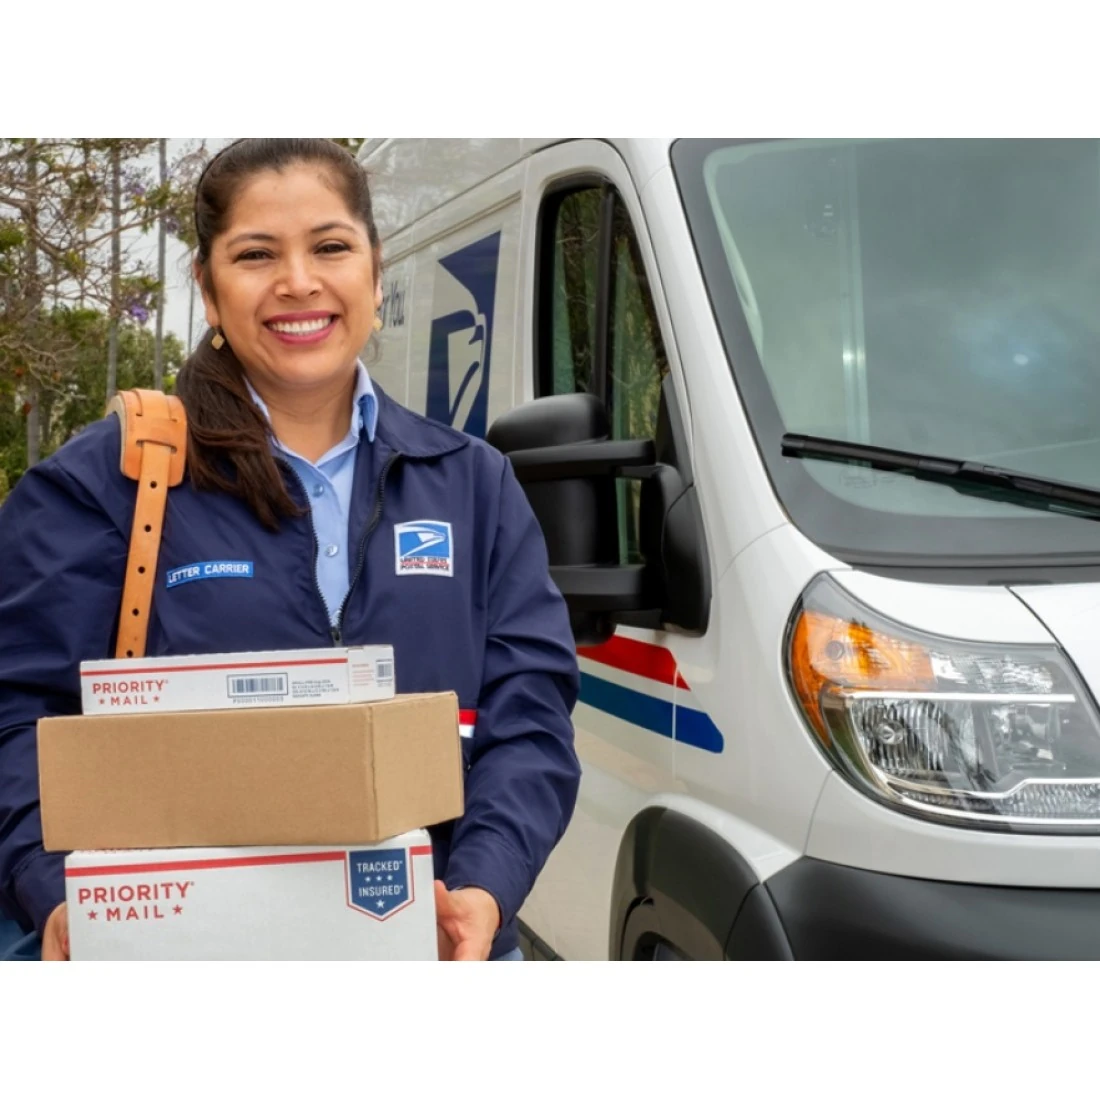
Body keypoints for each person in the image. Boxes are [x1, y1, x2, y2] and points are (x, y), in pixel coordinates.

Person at [0, 139, 581, 962]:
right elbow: (19, 713)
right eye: (256, 254)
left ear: (377, 276)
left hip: (427, 943)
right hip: (179, 957)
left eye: (331, 247)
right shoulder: (112, 482)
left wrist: (485, 886)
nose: (299, 282)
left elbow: (531, 716)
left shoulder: (472, 484)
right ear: (208, 289)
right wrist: (55, 893)